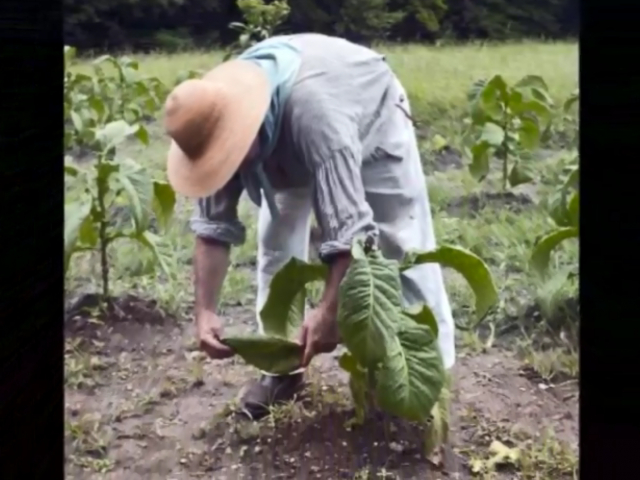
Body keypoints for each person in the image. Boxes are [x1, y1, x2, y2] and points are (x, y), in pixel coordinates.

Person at [164, 33, 456, 420]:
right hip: (289, 131)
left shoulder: (318, 119)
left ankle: (428, 379)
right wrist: (204, 311)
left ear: (247, 131)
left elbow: (352, 236)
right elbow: (212, 230)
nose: (224, 166)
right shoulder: (209, 121)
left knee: (399, 240)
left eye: (228, 155)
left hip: (369, 109)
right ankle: (283, 367)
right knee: (276, 244)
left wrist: (328, 311)